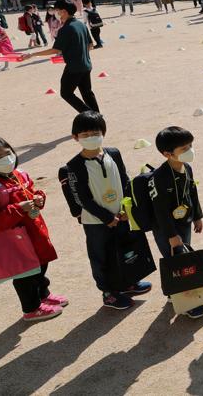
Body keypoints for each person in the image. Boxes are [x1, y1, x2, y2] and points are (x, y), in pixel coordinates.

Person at [64, 111, 150, 310]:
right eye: (84, 135)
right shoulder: (74, 165)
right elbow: (81, 197)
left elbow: (124, 180)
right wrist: (105, 217)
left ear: (103, 132)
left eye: (95, 132)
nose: (91, 137)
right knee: (101, 255)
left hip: (120, 215)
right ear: (75, 137)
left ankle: (127, 282)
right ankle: (108, 292)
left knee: (125, 249)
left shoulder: (113, 153)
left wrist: (125, 207)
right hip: (96, 222)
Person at [0, 137, 65, 322]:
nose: (6, 158)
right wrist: (20, 208)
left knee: (41, 265)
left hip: (35, 232)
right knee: (25, 274)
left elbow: (30, 192)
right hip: (15, 240)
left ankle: (43, 294)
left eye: (8, 152)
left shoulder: (19, 174)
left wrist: (38, 198)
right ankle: (31, 308)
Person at [150, 126, 203, 318]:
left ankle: (175, 292)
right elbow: (159, 211)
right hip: (165, 227)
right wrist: (171, 235)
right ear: (167, 154)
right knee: (175, 259)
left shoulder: (187, 167)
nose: (189, 151)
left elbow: (192, 192)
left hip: (184, 221)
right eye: (183, 148)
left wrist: (198, 216)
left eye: (190, 145)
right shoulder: (159, 178)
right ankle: (185, 301)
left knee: (183, 256)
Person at [34, 0, 100, 114]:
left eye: (57, 11)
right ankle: (97, 117)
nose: (56, 13)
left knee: (66, 93)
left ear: (64, 11)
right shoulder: (80, 24)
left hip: (74, 68)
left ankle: (90, 115)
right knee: (87, 92)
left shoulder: (66, 28)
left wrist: (32, 55)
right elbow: (90, 45)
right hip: (86, 65)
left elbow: (55, 49)